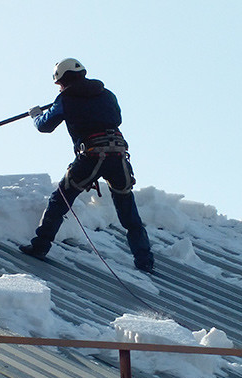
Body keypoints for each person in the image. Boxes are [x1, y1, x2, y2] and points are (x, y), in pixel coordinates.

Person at [20, 58, 154, 273]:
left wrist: (36, 115)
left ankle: (40, 246)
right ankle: (145, 260)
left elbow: (45, 125)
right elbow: (116, 118)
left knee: (60, 199)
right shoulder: (107, 94)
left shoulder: (65, 98)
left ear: (62, 80)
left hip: (90, 155)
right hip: (117, 155)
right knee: (127, 209)